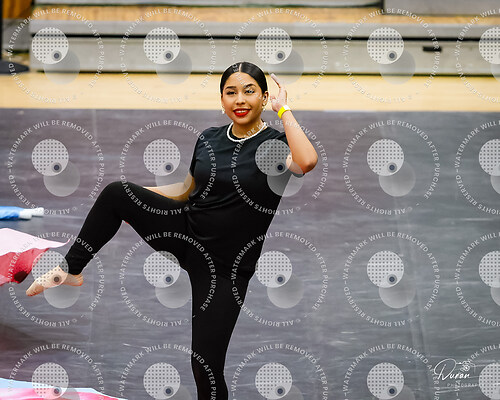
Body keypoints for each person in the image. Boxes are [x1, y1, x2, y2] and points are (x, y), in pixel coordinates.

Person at [25, 61, 318, 399]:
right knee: (117, 193)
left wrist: (284, 110)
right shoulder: (209, 138)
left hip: (225, 268)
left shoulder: (276, 145)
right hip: (186, 233)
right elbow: (185, 191)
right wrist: (138, 201)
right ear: (222, 100)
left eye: (249, 91)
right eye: (231, 92)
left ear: (264, 98)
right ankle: (70, 269)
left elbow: (307, 161)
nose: (240, 99)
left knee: (205, 365)